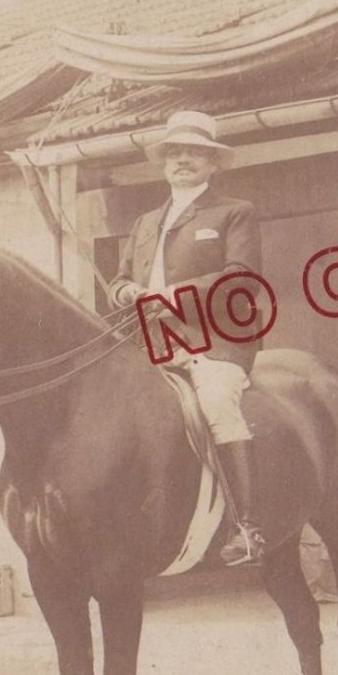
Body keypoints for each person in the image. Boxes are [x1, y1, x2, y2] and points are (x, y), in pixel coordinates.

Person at [108, 111, 266, 565]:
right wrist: (127, 292)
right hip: (147, 342)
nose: (182, 160)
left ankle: (248, 526)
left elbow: (242, 279)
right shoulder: (144, 223)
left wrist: (172, 296)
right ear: (163, 163)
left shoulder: (233, 212)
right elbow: (118, 280)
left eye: (194, 153)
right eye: (174, 153)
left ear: (213, 163)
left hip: (213, 339)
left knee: (217, 404)